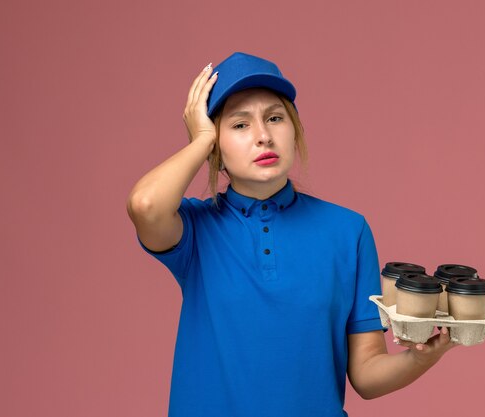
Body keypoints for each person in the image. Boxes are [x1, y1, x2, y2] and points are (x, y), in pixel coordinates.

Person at [127, 52, 456, 417]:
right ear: (215, 147)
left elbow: (366, 374)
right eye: (239, 125)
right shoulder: (196, 229)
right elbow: (145, 205)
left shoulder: (347, 230)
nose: (263, 136)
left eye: (275, 118)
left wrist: (424, 355)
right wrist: (201, 141)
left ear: (294, 129)